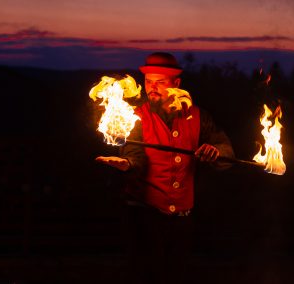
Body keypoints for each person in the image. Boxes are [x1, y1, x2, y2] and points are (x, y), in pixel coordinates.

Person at [95, 52, 235, 284]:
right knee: (146, 276)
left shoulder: (199, 116)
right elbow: (135, 157)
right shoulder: (135, 117)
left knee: (175, 276)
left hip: (182, 219)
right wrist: (127, 164)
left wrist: (216, 152)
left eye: (160, 83)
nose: (153, 89)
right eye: (149, 82)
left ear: (176, 84)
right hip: (144, 215)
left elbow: (226, 150)